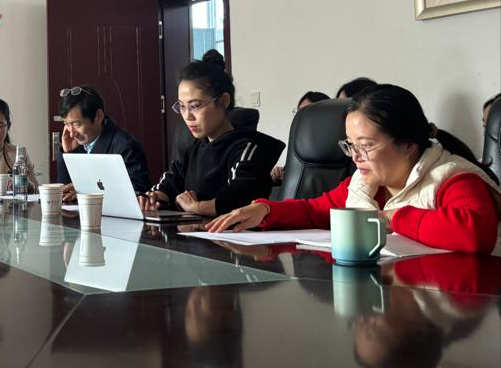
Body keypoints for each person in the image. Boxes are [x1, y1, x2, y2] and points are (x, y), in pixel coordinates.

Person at [209, 84, 501, 254]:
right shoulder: (364, 184)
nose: (356, 157)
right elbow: (315, 211)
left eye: (366, 146)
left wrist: (391, 218)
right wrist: (265, 210)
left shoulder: (453, 178)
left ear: (408, 145)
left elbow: (475, 233)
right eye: (350, 145)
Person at [138, 59, 284, 217]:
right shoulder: (194, 150)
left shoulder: (247, 149)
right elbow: (170, 184)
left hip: (233, 231)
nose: (187, 116)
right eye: (182, 106)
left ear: (224, 101)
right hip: (195, 230)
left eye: (195, 106)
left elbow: (241, 197)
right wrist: (152, 198)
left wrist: (197, 207)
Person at [56, 85, 150, 203]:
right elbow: (65, 194)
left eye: (76, 124)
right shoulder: (78, 144)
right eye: (66, 124)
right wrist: (67, 154)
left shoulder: (125, 147)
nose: (71, 133)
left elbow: (138, 193)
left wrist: (86, 190)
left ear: (98, 116)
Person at [271, 91, 331, 183]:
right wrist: (280, 174)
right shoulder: (299, 144)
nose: (300, 117)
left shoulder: (333, 148)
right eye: (299, 112)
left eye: (306, 111)